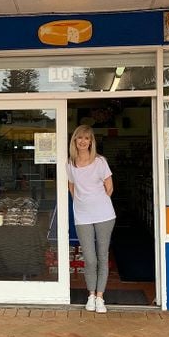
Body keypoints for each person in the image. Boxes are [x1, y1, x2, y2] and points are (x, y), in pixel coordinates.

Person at [67, 125, 116, 313]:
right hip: (82, 216)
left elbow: (109, 187)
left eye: (86, 138)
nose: (82, 141)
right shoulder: (70, 163)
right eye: (79, 137)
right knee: (90, 258)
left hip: (104, 215)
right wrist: (82, 202)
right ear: (74, 141)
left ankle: (100, 298)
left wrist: (98, 201)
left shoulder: (100, 161)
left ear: (91, 141)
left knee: (103, 256)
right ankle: (90, 295)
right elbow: (71, 187)